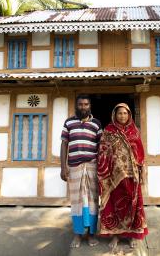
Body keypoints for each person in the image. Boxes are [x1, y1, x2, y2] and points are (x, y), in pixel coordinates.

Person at [97, 103, 148, 250]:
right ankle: (115, 235)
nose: (122, 116)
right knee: (115, 206)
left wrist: (142, 172)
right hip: (114, 177)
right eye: (120, 113)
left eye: (125, 113)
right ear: (114, 114)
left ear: (129, 115)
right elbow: (102, 152)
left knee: (132, 205)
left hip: (132, 176)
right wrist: (104, 173)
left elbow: (140, 154)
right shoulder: (108, 131)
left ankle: (132, 235)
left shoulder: (134, 131)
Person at [60, 94, 102, 248]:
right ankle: (78, 235)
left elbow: (100, 148)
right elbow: (64, 144)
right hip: (74, 167)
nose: (83, 107)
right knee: (77, 202)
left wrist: (102, 170)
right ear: (76, 106)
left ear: (90, 106)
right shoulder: (69, 122)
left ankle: (91, 235)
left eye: (86, 104)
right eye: (80, 104)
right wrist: (63, 167)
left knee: (92, 202)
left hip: (92, 167)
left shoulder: (96, 124)